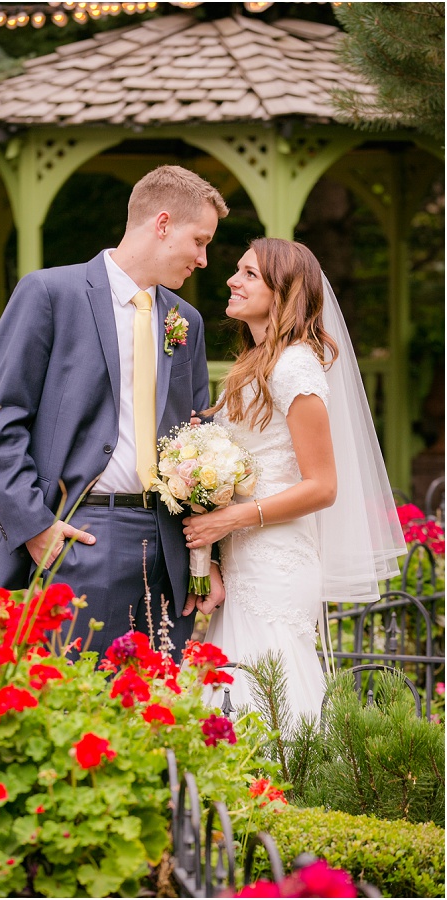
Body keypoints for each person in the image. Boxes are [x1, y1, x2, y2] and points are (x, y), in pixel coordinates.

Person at [0, 165, 228, 660]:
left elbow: (200, 443)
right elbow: (1, 421)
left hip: (168, 544)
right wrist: (35, 526)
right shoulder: (50, 294)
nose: (203, 260)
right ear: (162, 225)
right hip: (83, 537)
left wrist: (202, 557)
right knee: (82, 713)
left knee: (157, 713)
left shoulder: (186, 321)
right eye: (198, 241)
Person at [183, 238, 405, 721]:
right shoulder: (255, 362)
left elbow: (323, 486)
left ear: (281, 293)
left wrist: (231, 517)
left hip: (275, 560)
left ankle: (283, 793)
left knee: (271, 693)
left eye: (248, 275)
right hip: (242, 553)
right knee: (241, 690)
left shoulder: (295, 366)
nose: (231, 281)